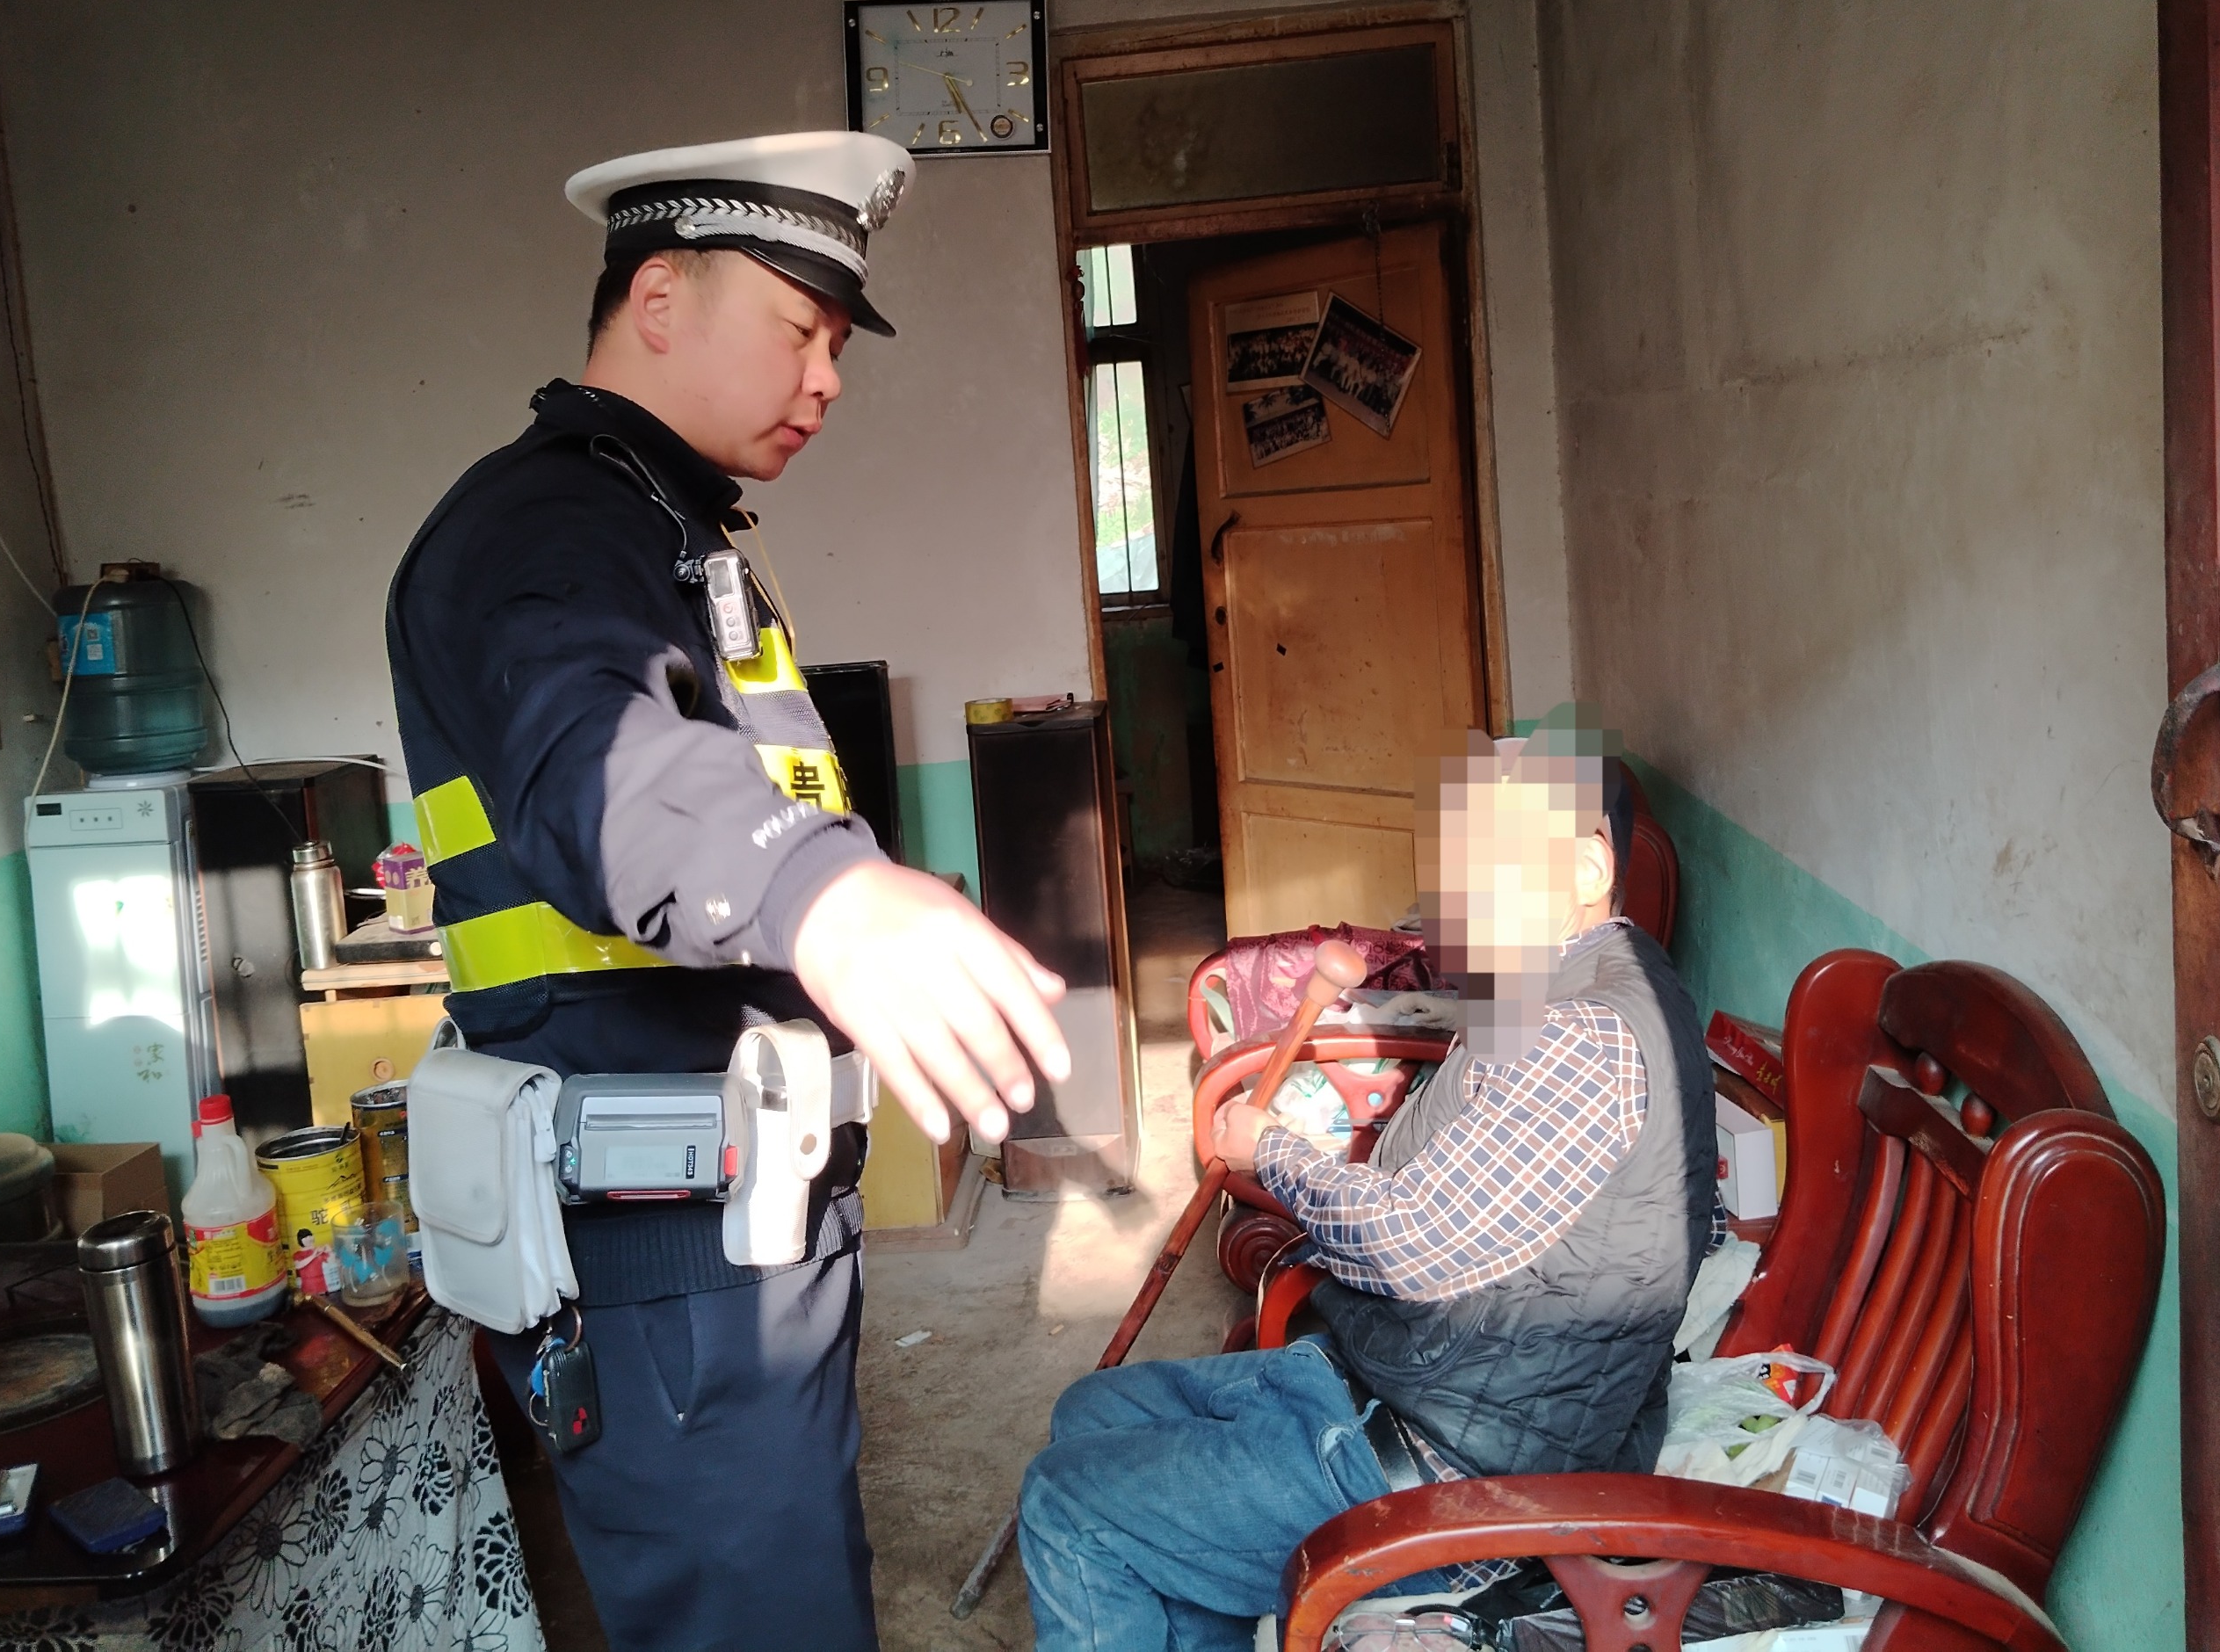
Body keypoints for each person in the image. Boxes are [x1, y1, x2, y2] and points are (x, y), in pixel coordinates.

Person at [386, 131, 1070, 1652]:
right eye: (800, 329)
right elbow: (599, 765)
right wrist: (824, 892)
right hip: (665, 1265)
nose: (828, 380)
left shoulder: (663, 525)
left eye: (840, 348)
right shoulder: (550, 530)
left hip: (730, 1229)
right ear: (658, 299)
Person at [1017, 708, 1718, 1651]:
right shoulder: (1558, 988)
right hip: (1419, 1376)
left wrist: (1275, 1153)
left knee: (1068, 1504)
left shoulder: (1585, 1035)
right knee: (1090, 1411)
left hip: (1456, 1465)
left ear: (1587, 871)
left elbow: (1409, 1245)